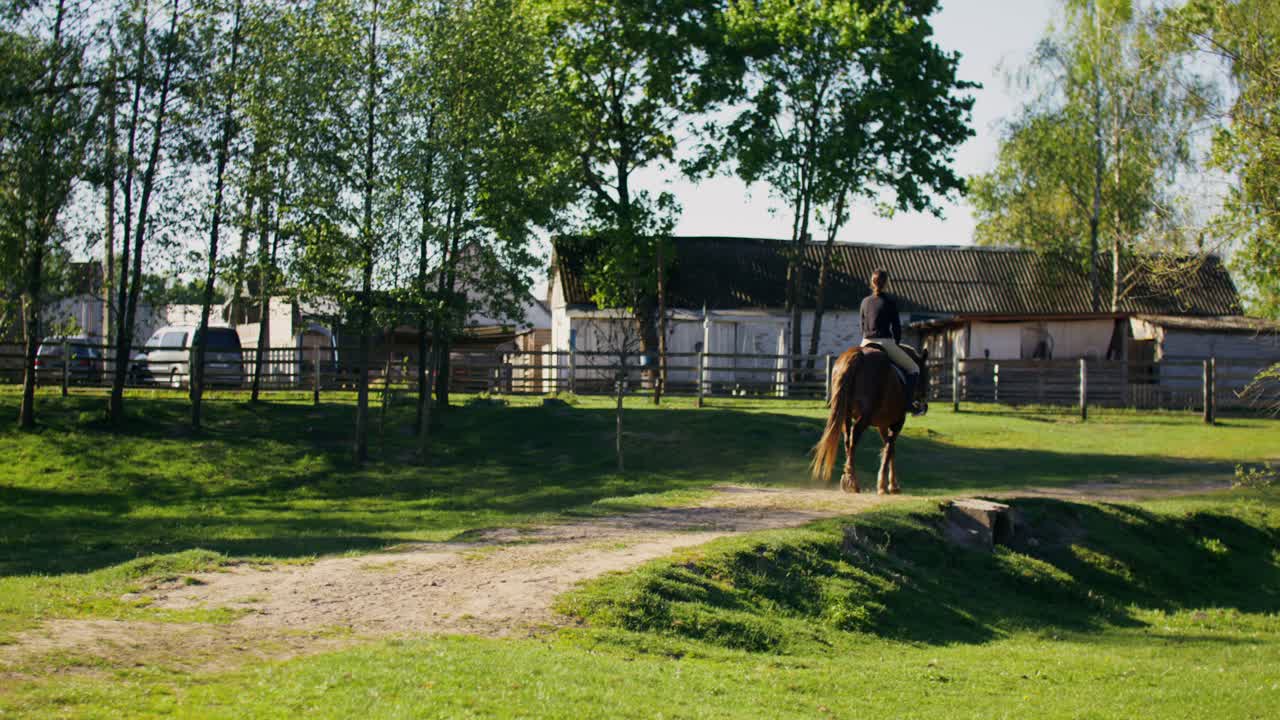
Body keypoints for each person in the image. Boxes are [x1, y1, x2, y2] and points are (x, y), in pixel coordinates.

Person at [859, 268, 923, 415]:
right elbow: (896, 327)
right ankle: (908, 404)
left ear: (872, 282)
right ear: (886, 283)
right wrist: (897, 343)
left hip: (865, 343)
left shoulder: (864, 302)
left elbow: (862, 326)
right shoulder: (890, 302)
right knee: (914, 369)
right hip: (885, 342)